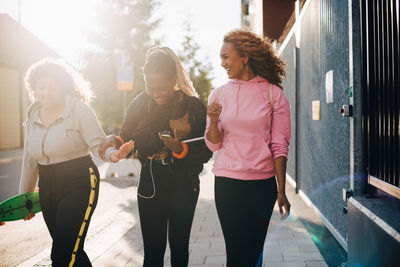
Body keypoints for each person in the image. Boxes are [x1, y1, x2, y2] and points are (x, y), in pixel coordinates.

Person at [98, 47, 212, 267]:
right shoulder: (139, 105)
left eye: (161, 88)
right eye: (151, 88)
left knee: (179, 247)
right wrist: (115, 143)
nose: (156, 93)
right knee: (152, 251)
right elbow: (126, 137)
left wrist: (180, 149)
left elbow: (206, 150)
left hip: (184, 185)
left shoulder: (194, 106)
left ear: (173, 79)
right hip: (150, 186)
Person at [19, 58, 133, 266]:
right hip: (47, 186)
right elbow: (29, 159)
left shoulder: (79, 110)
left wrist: (113, 155)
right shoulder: (33, 114)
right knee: (72, 250)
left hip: (79, 182)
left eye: (52, 87)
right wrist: (24, 200)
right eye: (41, 87)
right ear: (34, 88)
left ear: (63, 86)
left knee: (62, 253)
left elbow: (98, 145)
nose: (45, 92)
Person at [205, 29, 291, 267]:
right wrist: (213, 121)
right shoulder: (218, 94)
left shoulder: (274, 95)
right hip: (227, 184)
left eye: (226, 57)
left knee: (254, 254)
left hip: (262, 186)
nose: (222, 63)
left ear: (244, 57)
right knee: (235, 253)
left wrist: (281, 190)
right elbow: (214, 144)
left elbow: (280, 145)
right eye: (220, 58)